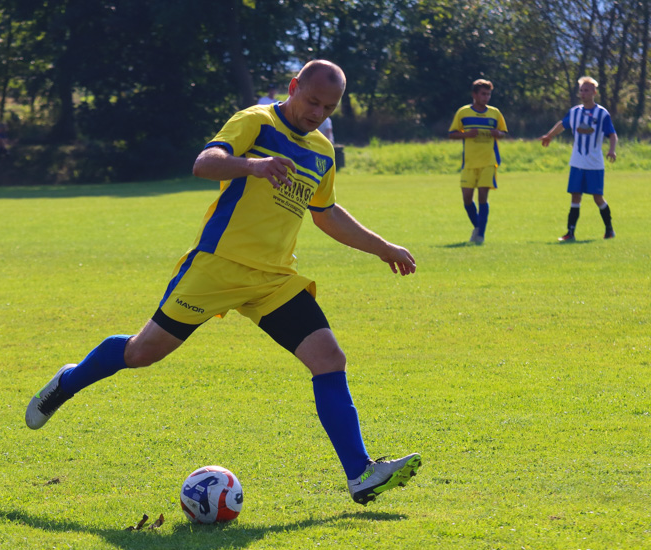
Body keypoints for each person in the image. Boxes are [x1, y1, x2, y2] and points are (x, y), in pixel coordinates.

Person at [25, 60, 422, 506]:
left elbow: (325, 213)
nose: (317, 114)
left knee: (329, 359)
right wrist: (252, 166)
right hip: (218, 266)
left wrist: (383, 247)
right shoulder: (257, 121)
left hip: (273, 278)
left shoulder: (322, 150)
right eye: (312, 101)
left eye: (328, 108)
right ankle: (69, 380)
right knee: (141, 353)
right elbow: (204, 163)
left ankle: (360, 474)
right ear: (293, 87)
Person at [540, 76, 618, 241]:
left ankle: (609, 230)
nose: (583, 93)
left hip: (594, 164)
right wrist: (549, 136)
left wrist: (612, 150)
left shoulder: (602, 113)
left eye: (587, 90)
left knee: (597, 198)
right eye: (581, 90)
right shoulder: (575, 112)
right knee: (575, 195)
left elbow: (612, 134)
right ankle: (570, 232)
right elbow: (563, 124)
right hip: (577, 162)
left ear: (594, 92)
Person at [448, 79, 507, 245]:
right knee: (467, 198)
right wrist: (467, 134)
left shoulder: (495, 113)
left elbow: (503, 132)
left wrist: (498, 134)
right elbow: (452, 134)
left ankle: (480, 235)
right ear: (474, 95)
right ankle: (478, 227)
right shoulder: (463, 112)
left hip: (489, 161)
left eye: (488, 94)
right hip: (469, 162)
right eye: (483, 94)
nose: (486, 97)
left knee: (483, 197)